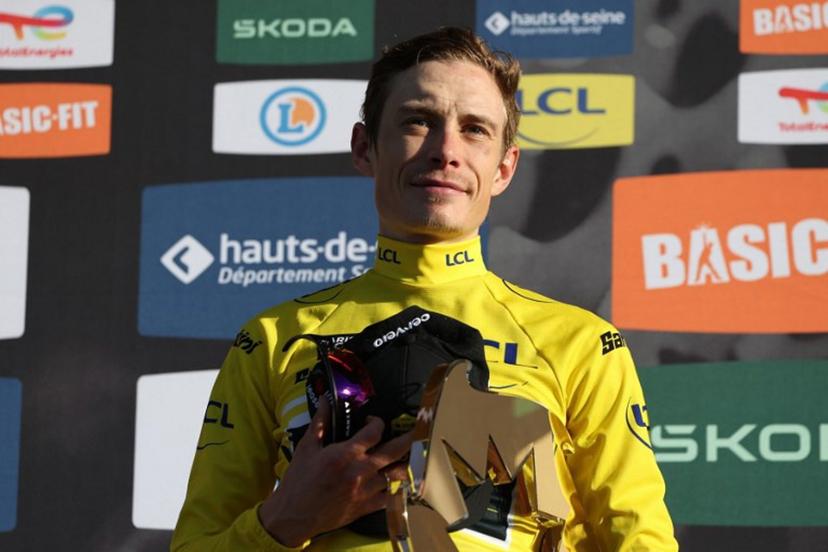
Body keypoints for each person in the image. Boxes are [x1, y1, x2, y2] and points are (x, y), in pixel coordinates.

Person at [171, 27, 678, 551]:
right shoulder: (272, 339)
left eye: (475, 129)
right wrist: (285, 520)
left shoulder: (580, 342)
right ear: (364, 147)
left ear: (505, 168)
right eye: (418, 121)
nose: (445, 151)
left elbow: (640, 540)